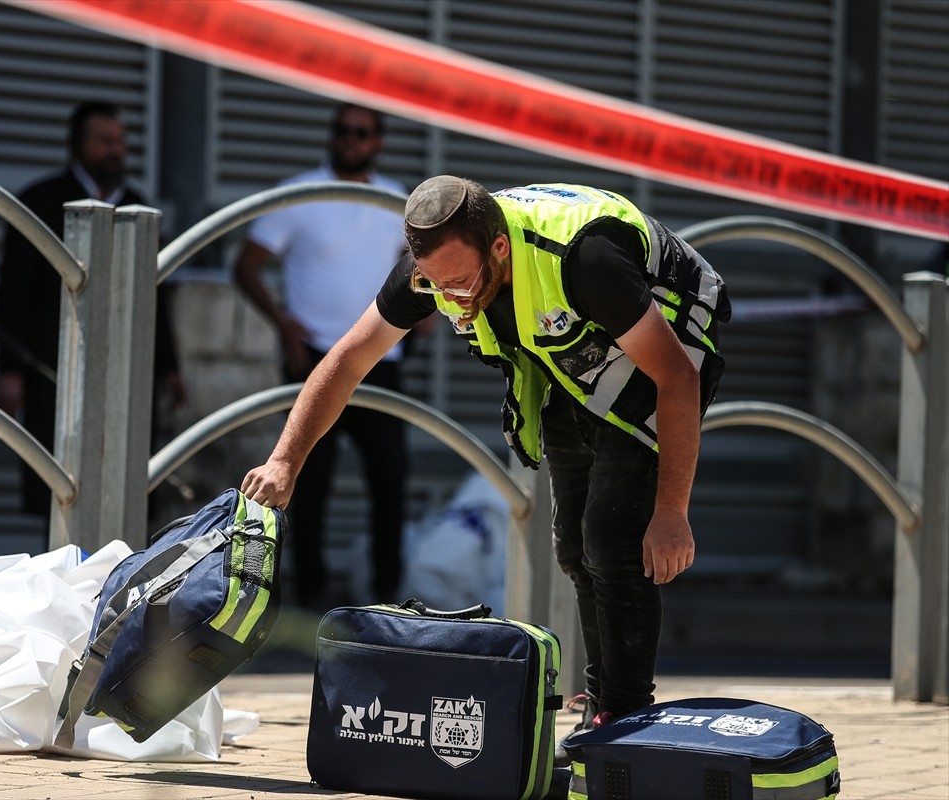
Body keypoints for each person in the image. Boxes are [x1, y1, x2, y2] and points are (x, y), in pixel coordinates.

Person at [241, 176, 730, 762]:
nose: (452, 298)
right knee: (574, 546)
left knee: (612, 537)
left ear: (498, 246)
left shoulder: (585, 260)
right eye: (436, 285)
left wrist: (672, 513)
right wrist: (284, 461)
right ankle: (602, 701)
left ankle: (624, 722)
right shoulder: (436, 271)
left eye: (461, 282)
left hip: (664, 343)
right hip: (572, 354)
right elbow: (346, 361)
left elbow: (677, 378)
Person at [233, 103, 409, 609]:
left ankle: (388, 597)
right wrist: (282, 321)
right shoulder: (302, 193)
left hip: (381, 360)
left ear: (377, 141)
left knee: (390, 481)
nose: (351, 140)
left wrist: (418, 321)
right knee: (306, 481)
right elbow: (247, 264)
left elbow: (416, 262)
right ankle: (304, 596)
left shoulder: (394, 199)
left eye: (362, 132)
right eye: (343, 131)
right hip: (314, 356)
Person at [0, 101, 185, 537]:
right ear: (78, 145)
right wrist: (8, 370)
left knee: (124, 469)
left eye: (120, 142)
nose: (115, 151)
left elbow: (155, 296)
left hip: (126, 367)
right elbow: (13, 294)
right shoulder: (40, 201)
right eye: (104, 142)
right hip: (53, 364)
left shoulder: (138, 208)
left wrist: (171, 368)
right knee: (59, 477)